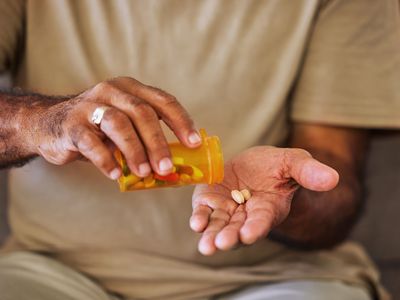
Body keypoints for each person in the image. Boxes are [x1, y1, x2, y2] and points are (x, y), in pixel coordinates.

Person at [0, 0, 399, 299]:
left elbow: (334, 186)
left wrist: (288, 193)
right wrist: (38, 122)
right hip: (52, 272)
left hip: (272, 280)